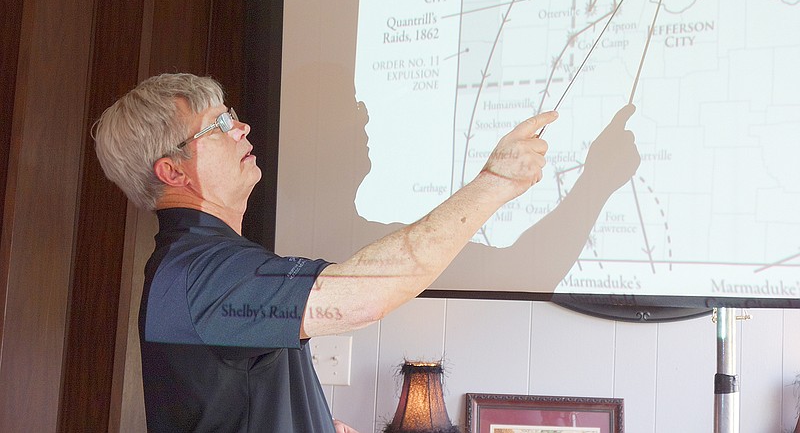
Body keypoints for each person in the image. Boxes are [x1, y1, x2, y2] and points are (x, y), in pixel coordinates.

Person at [93, 72, 557, 433]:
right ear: (173, 172)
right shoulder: (199, 274)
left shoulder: (204, 264)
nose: (241, 127)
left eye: (229, 113)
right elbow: (364, 295)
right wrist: (496, 184)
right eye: (217, 125)